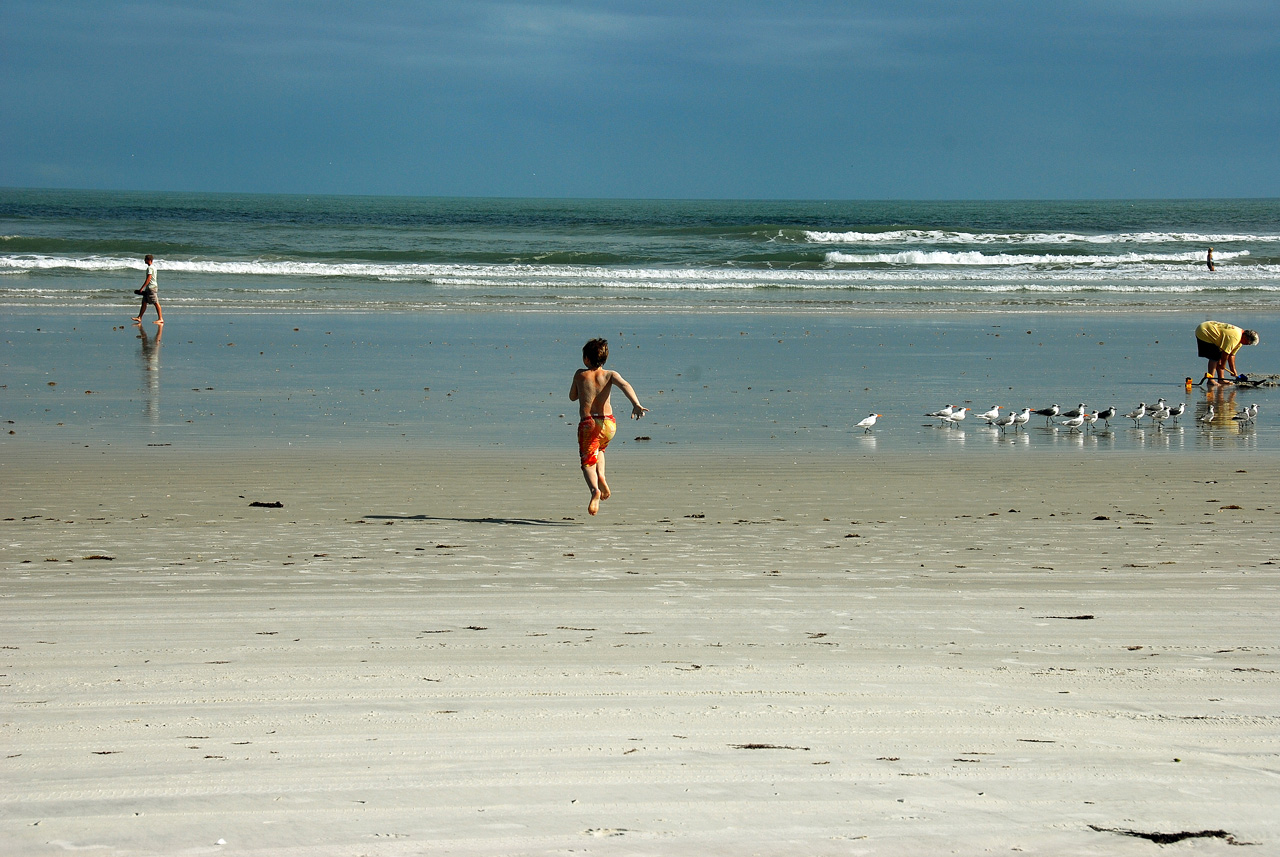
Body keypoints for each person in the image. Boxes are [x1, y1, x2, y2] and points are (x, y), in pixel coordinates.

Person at [569, 338, 647, 516]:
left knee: (587, 462)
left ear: (586, 359)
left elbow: (572, 397)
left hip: (589, 423)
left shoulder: (580, 374)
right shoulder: (610, 374)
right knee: (601, 450)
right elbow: (625, 385)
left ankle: (594, 490)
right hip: (609, 424)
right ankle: (602, 476)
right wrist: (636, 404)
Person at [1195, 320, 1260, 385]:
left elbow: (1232, 355)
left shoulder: (1240, 340)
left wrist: (1233, 369)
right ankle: (1210, 380)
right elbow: (1226, 353)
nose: (1248, 344)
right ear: (1245, 337)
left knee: (1219, 357)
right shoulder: (1235, 337)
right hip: (1204, 331)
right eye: (1248, 343)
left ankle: (1221, 379)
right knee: (1214, 356)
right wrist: (1223, 365)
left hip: (1211, 330)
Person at [131, 254, 163, 325]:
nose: (144, 260)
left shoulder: (150, 268)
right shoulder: (154, 267)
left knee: (156, 303)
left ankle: (160, 318)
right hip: (150, 287)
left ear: (149, 260)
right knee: (144, 302)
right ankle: (139, 317)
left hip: (151, 288)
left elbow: (149, 278)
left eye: (145, 259)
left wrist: (142, 288)